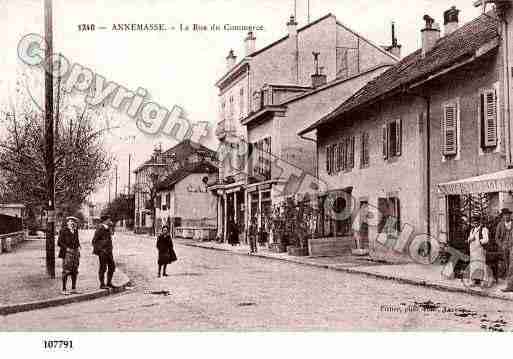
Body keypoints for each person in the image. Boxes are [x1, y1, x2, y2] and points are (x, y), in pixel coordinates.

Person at [57, 216, 81, 295]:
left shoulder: (75, 230)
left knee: (75, 270)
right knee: (66, 271)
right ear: (67, 222)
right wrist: (66, 248)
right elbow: (59, 242)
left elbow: (77, 240)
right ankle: (64, 289)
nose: (72, 223)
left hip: (75, 253)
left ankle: (73, 288)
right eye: (70, 221)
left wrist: (78, 246)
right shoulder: (63, 231)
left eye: (73, 222)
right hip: (67, 253)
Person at [92, 215, 116, 289]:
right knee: (103, 268)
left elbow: (112, 233)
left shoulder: (107, 228)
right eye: (109, 220)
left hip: (109, 251)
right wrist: (101, 249)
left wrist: (112, 227)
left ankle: (109, 282)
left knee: (112, 266)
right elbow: (94, 241)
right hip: (103, 252)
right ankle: (102, 284)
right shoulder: (100, 228)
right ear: (105, 220)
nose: (110, 221)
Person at [467, 216, 490, 287]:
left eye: (476, 222)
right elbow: (468, 239)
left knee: (481, 265)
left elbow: (486, 239)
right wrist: (471, 239)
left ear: (479, 222)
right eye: (474, 222)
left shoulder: (484, 229)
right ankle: (473, 280)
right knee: (473, 265)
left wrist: (479, 241)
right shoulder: (472, 230)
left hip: (480, 250)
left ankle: (483, 281)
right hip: (473, 250)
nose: (475, 223)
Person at [496, 208, 513, 279]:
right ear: (503, 216)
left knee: (512, 261)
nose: (506, 216)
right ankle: (507, 276)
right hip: (504, 246)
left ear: (510, 215)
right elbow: (497, 238)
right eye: (505, 215)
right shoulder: (500, 225)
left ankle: (510, 277)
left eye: (508, 215)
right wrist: (501, 245)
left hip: (512, 245)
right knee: (506, 261)